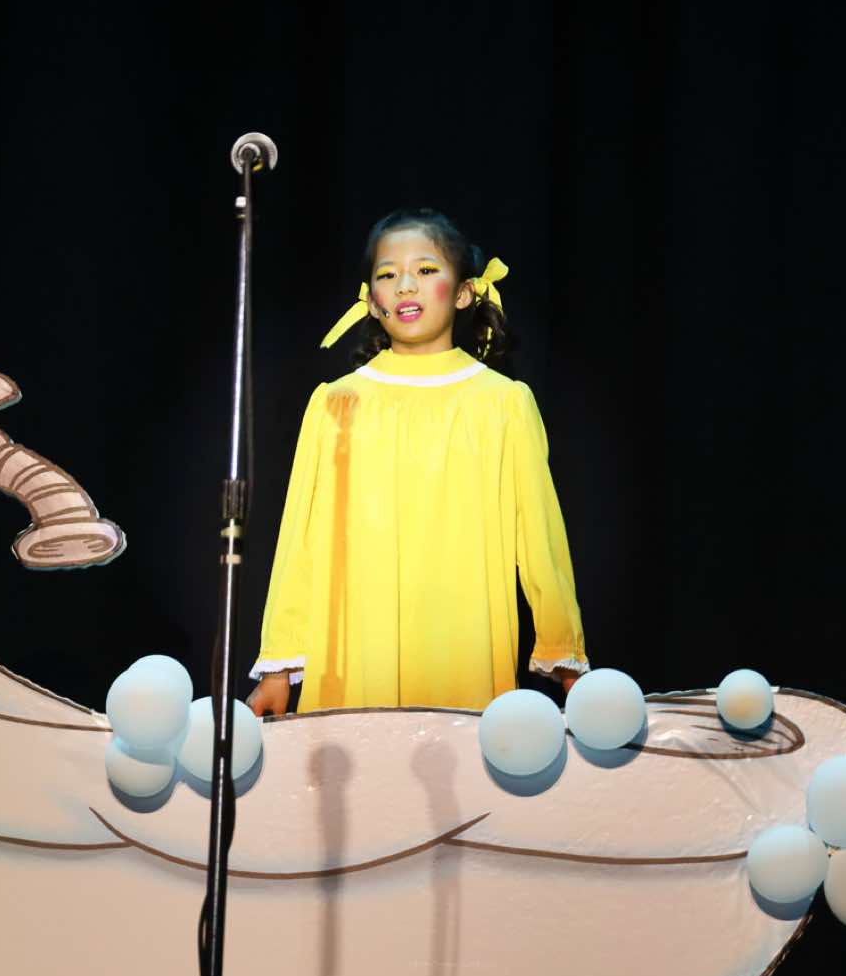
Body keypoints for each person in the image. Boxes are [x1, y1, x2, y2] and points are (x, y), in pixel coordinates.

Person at [245, 208, 588, 716]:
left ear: (465, 292)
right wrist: (277, 668)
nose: (405, 285)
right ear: (371, 299)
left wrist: (566, 659)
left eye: (426, 270)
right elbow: (301, 541)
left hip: (463, 648)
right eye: (388, 275)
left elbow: (540, 539)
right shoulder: (337, 403)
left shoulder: (502, 403)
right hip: (356, 651)